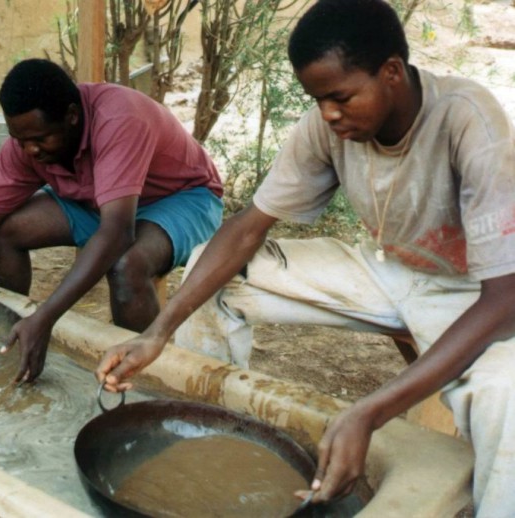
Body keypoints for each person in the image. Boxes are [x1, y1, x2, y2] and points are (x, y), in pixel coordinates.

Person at [96, 1, 515, 515]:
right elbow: (248, 229)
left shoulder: (470, 122)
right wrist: (157, 331)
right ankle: (210, 436)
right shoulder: (327, 125)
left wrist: (369, 411)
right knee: (217, 267)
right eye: (318, 100)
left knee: (506, 394)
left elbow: (505, 299)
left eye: (340, 97)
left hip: (470, 290)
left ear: (391, 72)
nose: (329, 115)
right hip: (383, 267)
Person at [0, 58, 223, 384]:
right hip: (99, 203)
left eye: (39, 139)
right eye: (19, 140)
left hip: (181, 199)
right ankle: (13, 338)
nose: (30, 151)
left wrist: (47, 316)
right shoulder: (27, 144)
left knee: (127, 265)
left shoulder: (119, 119)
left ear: (71, 116)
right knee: (5, 229)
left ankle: (145, 380)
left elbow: (117, 233)